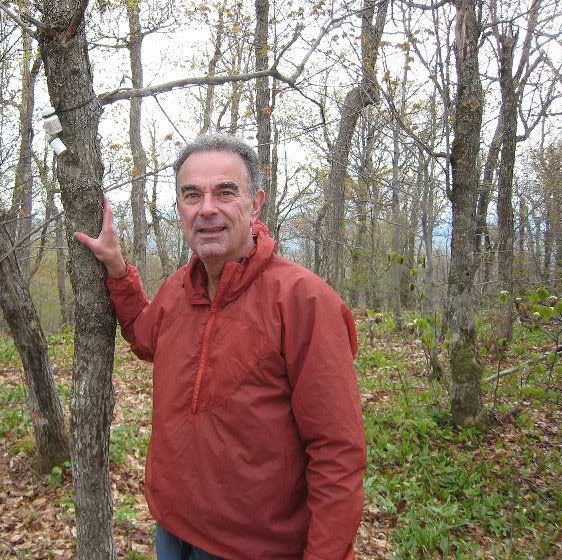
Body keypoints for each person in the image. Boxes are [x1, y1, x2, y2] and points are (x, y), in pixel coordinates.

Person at [75, 133, 366, 560]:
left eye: (225, 192)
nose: (207, 208)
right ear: (179, 209)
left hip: (255, 549)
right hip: (173, 531)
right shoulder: (179, 289)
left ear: (255, 203)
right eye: (192, 195)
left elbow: (337, 454)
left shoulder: (304, 301)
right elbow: (144, 334)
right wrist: (118, 269)